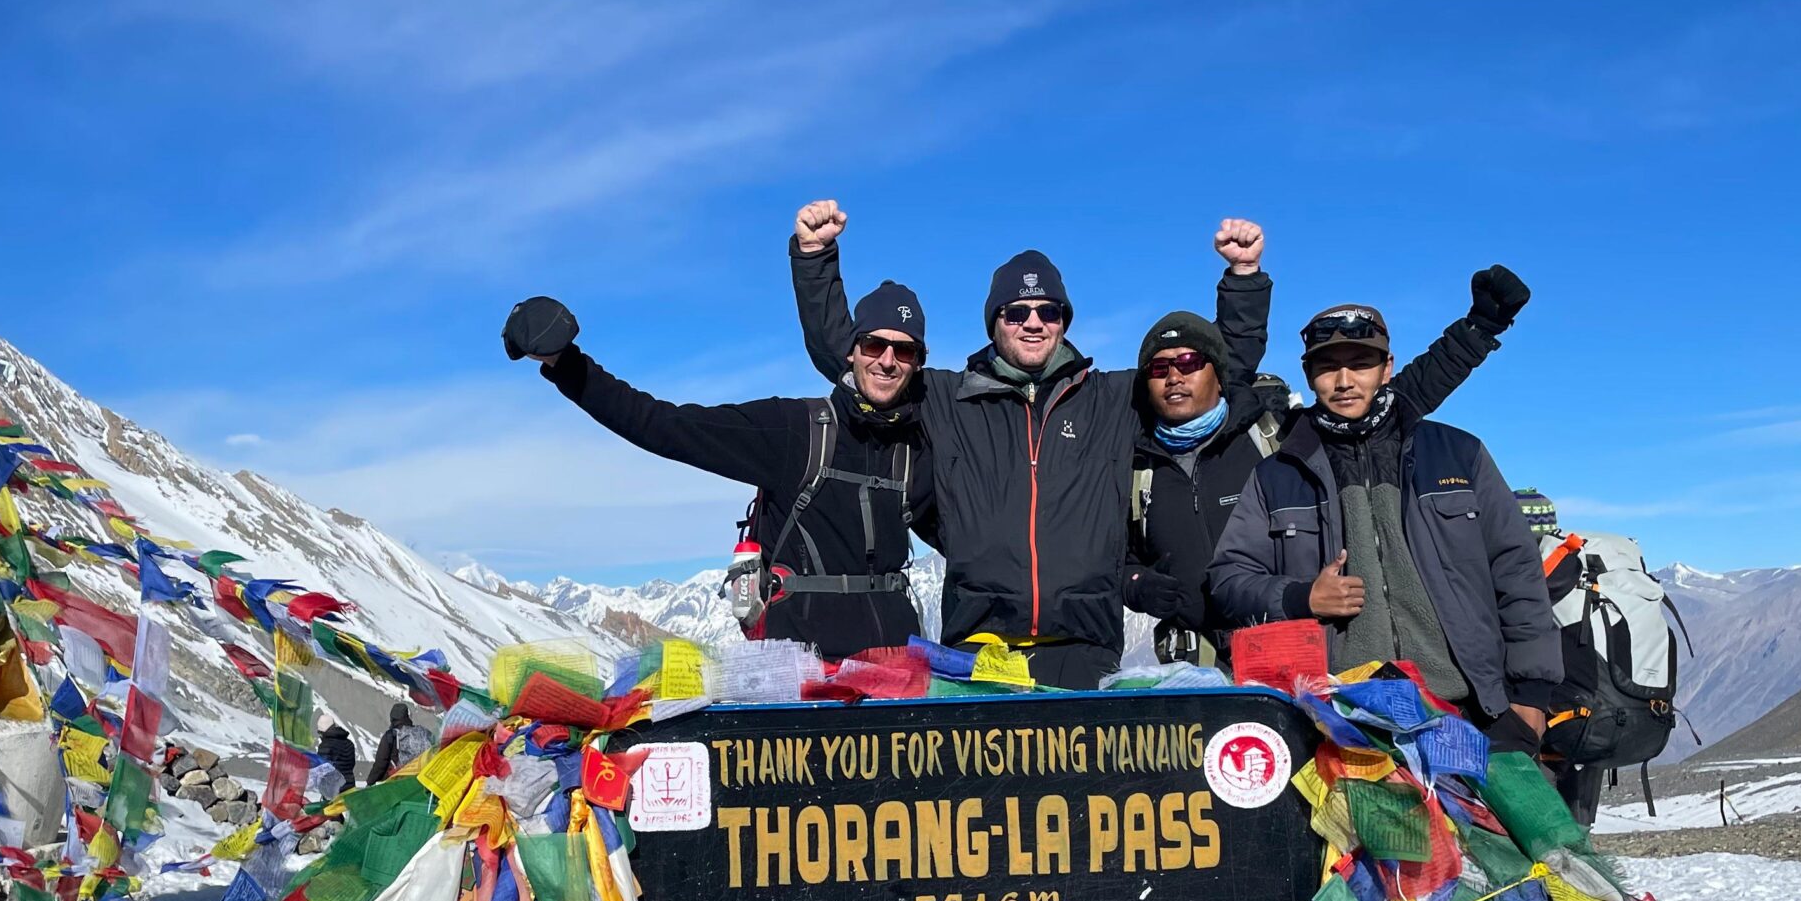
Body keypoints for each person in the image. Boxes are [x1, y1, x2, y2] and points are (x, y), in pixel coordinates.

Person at [791, 203, 1262, 689]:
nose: (1032, 322)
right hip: (977, 649)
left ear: (1063, 321)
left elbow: (1213, 375)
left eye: (1047, 311)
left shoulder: (1112, 400)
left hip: (1085, 650)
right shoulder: (947, 401)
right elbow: (861, 370)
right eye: (1017, 312)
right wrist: (815, 257)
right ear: (995, 322)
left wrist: (1242, 278)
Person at [1124, 235, 1518, 666]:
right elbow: (1109, 557)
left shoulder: (1278, 435)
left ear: (1217, 374)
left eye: (1189, 364)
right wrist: (1136, 583)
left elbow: (1394, 399)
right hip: (1192, 662)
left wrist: (1477, 331)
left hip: (1285, 649)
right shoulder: (1135, 464)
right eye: (1160, 368)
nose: (1175, 377)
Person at [1207, 277, 1559, 751]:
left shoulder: (1458, 454)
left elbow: (1517, 574)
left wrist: (1530, 699)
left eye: (1361, 364)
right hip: (1340, 727)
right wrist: (1299, 596)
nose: (1345, 380)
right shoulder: (1277, 474)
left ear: (1386, 367)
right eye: (1328, 367)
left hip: (1473, 714)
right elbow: (1228, 578)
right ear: (1309, 375)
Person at [503, 288, 933, 661]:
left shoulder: (918, 449)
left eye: (905, 351)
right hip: (802, 680)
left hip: (896, 682)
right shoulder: (795, 430)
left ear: (917, 364)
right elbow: (664, 425)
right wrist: (565, 363)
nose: (888, 361)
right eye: (875, 345)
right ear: (852, 350)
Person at [366, 699, 440, 785]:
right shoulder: (423, 731)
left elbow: (380, 764)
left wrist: (370, 782)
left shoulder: (391, 735)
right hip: (422, 779)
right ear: (408, 716)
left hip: (399, 781)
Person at [314, 711, 358, 794]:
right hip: (350, 786)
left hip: (333, 789)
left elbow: (322, 770)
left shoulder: (325, 746)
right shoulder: (349, 743)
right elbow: (351, 764)